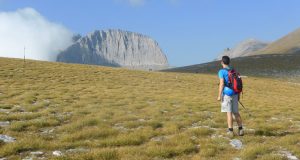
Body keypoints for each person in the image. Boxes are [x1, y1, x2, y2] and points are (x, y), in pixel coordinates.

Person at [217, 56, 244, 137]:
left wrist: (219, 95)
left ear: (222, 62)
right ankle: (241, 129)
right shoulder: (234, 71)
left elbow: (221, 84)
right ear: (229, 62)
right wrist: (238, 95)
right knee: (236, 112)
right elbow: (238, 84)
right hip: (235, 94)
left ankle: (230, 131)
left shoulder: (221, 71)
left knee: (229, 113)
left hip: (227, 94)